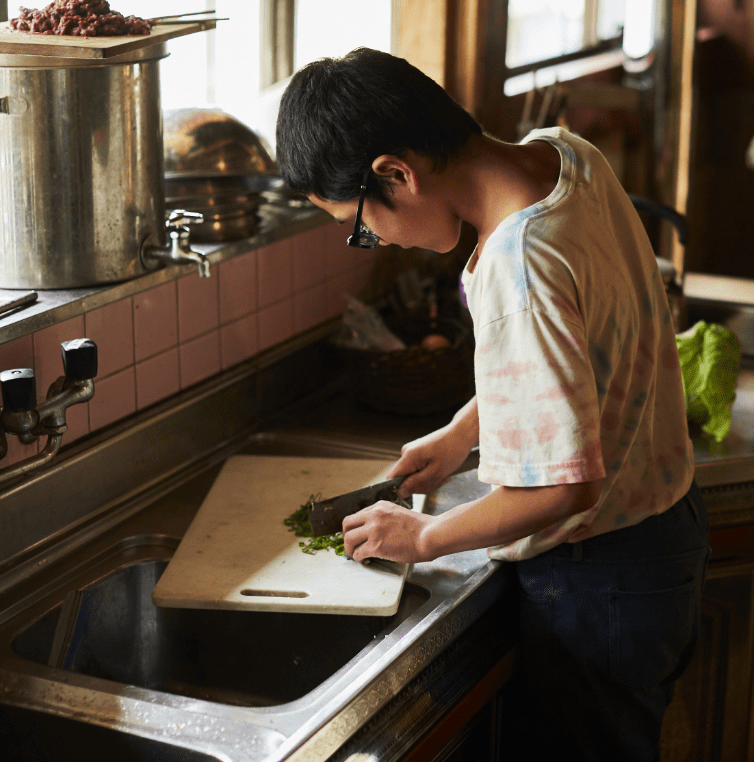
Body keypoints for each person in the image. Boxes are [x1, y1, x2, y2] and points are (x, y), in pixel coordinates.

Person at [276, 47, 708, 761]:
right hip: (664, 536)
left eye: (359, 224)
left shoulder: (519, 262)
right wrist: (462, 431)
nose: (372, 241)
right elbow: (577, 350)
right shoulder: (565, 157)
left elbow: (564, 488)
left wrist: (422, 540)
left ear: (396, 173)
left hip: (598, 574)